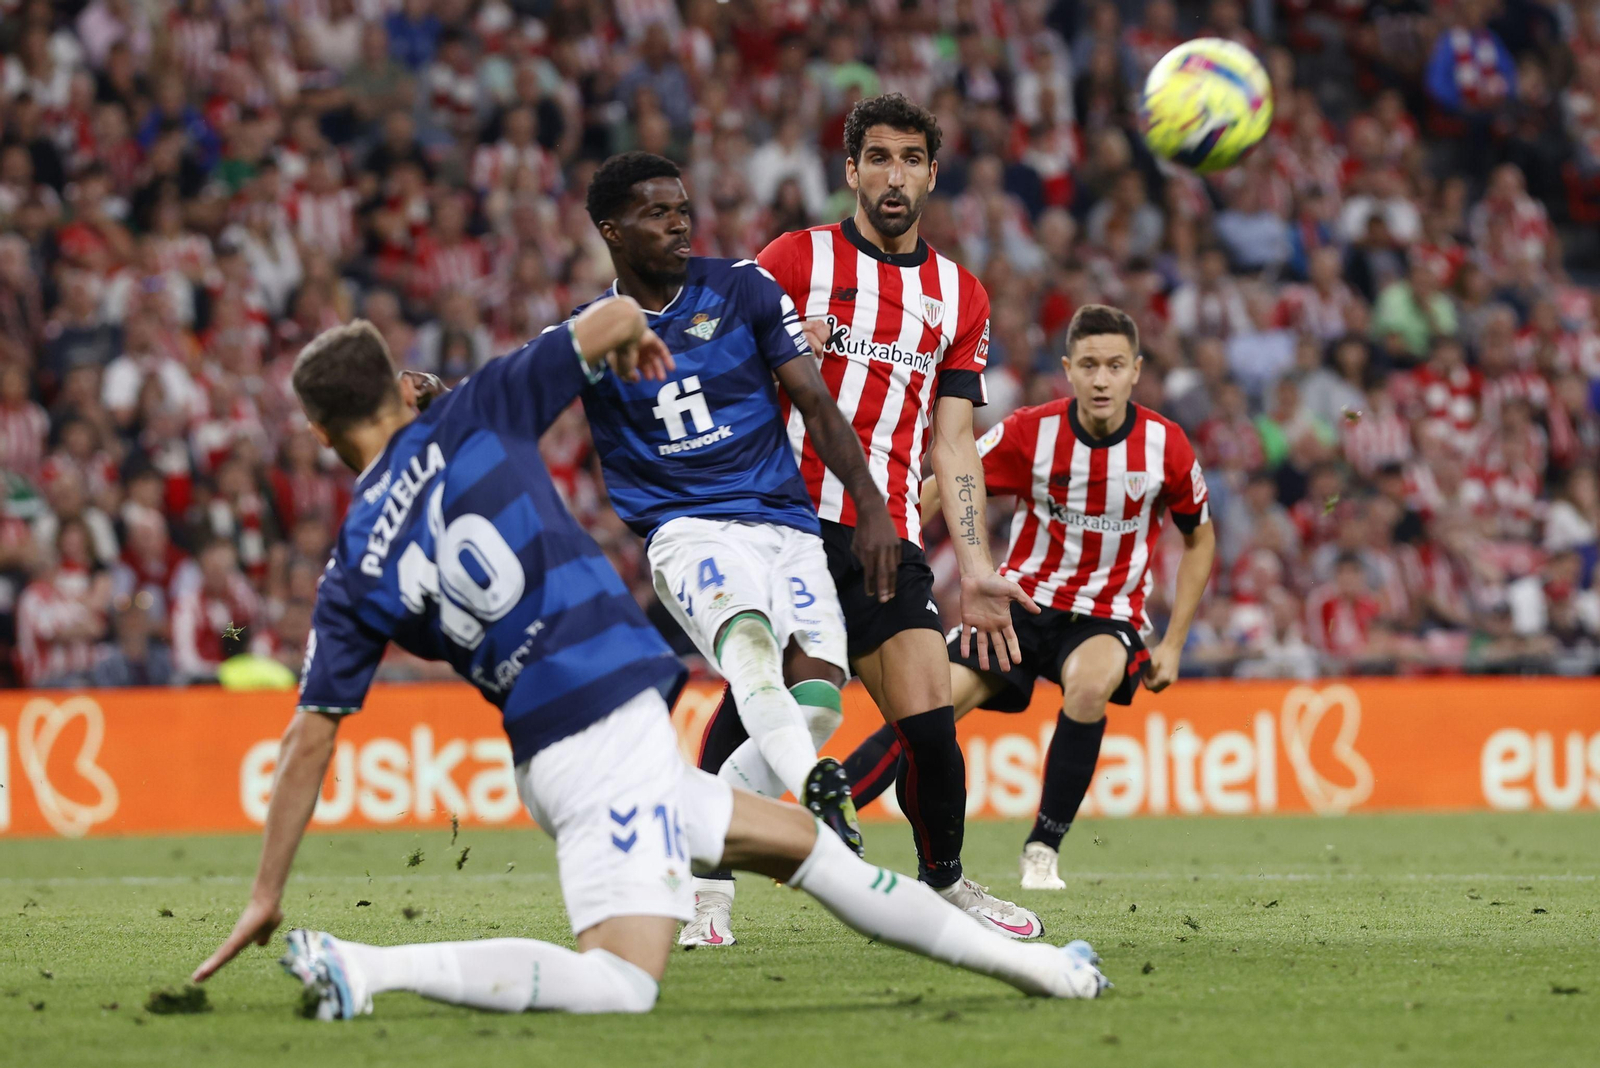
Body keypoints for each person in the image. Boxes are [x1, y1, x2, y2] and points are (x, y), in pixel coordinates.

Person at [191, 301, 1110, 1018]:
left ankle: (1048, 974)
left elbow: (310, 737)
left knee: (818, 860)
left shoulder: (352, 559)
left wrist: (265, 891)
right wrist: (626, 345)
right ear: (400, 388)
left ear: (320, 435)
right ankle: (362, 967)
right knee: (623, 983)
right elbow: (616, 317)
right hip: (597, 739)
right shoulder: (475, 412)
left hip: (570, 749)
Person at [691, 94, 1045, 942]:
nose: (895, 176)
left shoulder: (960, 296)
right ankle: (704, 893)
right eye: (877, 158)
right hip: (784, 526)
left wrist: (981, 570)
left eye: (911, 159)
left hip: (884, 537)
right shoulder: (792, 258)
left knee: (929, 724)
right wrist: (773, 350)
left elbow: (954, 447)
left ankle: (947, 888)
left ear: (931, 172)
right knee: (763, 699)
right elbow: (710, 370)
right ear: (850, 171)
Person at [572, 153, 902, 912]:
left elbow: (817, 404)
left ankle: (694, 823)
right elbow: (512, 393)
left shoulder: (746, 289)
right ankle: (818, 789)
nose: (679, 221)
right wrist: (440, 401)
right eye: (658, 212)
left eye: (683, 207)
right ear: (612, 232)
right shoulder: (590, 337)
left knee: (818, 701)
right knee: (748, 644)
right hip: (687, 530)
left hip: (784, 526)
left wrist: (872, 505)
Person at [841, 305, 1216, 888]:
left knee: (1089, 686)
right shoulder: (1029, 432)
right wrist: (885, 543)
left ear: (1136, 371)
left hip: (1105, 614)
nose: (1100, 379)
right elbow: (945, 484)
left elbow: (1200, 540)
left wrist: (1172, 642)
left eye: (1114, 366)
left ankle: (1043, 846)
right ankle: (830, 814)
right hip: (1019, 604)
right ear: (1067, 368)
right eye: (1088, 365)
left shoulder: (1166, 447)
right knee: (928, 708)